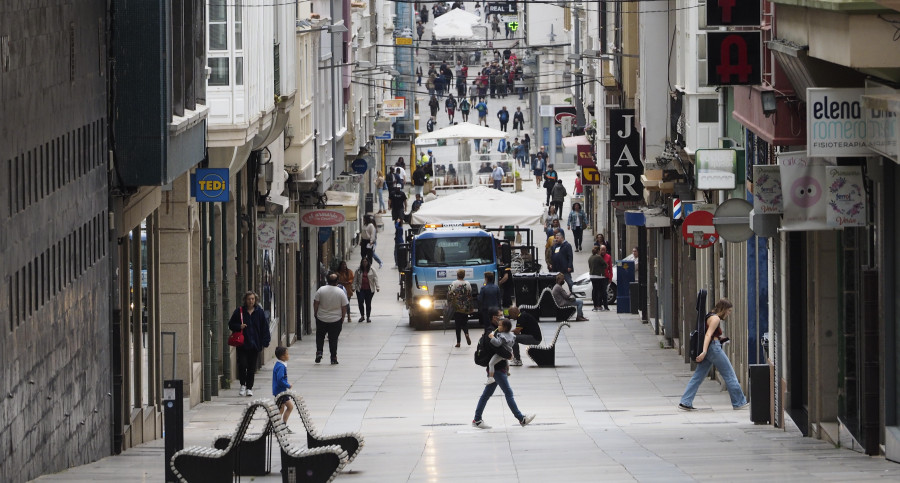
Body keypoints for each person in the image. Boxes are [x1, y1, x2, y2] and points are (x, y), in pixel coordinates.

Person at [678, 298, 750, 411]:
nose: (729, 313)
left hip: (711, 346)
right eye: (729, 311)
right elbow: (708, 335)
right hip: (713, 348)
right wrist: (704, 351)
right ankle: (739, 402)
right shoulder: (715, 319)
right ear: (723, 309)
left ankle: (685, 402)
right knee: (729, 374)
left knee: (698, 376)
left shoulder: (710, 315)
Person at [472, 308, 536, 430]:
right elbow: (497, 348)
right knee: (508, 393)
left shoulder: (495, 330)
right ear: (494, 318)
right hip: (497, 368)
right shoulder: (492, 332)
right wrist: (509, 356)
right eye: (500, 316)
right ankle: (521, 418)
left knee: (486, 394)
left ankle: (477, 419)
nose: (502, 318)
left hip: (498, 367)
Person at [229, 291, 271, 396]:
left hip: (255, 344)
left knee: (252, 368)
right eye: (249, 299)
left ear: (255, 300)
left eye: (252, 299)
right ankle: (243, 385)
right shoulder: (239, 311)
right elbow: (231, 324)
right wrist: (239, 326)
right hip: (243, 344)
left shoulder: (259, 312)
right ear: (245, 300)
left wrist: (265, 341)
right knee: (243, 365)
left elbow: (265, 328)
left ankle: (249, 387)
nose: (251, 301)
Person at [314, 273, 348, 364]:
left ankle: (319, 352)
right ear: (337, 281)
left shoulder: (321, 290)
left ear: (327, 280)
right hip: (335, 319)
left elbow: (316, 302)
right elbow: (344, 306)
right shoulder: (340, 292)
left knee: (320, 336)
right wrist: (343, 317)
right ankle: (333, 357)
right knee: (333, 339)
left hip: (322, 317)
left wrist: (315, 313)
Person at [448, 269, 474, 347]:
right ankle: (466, 334)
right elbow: (470, 293)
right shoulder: (467, 283)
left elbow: (450, 292)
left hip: (457, 307)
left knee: (457, 325)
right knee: (465, 323)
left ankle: (458, 342)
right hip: (465, 306)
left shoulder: (454, 283)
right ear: (464, 275)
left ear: (457, 275)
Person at [485, 318, 516, 384]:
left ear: (504, 327)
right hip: (509, 351)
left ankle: (490, 378)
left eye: (499, 325)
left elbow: (498, 344)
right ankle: (507, 372)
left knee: (491, 363)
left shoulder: (502, 335)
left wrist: (492, 337)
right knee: (505, 360)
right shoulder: (511, 334)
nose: (498, 326)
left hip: (501, 353)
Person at [353, 258, 379, 323]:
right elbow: (355, 279)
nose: (364, 263)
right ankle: (362, 316)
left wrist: (377, 287)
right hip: (360, 289)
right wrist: (353, 287)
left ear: (368, 262)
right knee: (360, 301)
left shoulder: (372, 269)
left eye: (365, 261)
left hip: (369, 289)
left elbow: (375, 278)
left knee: (368, 303)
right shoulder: (358, 270)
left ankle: (368, 316)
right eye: (363, 262)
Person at [272, 346, 293, 427]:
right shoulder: (281, 366)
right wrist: (288, 385)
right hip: (280, 391)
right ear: (282, 356)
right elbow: (280, 380)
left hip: (280, 391)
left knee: (282, 408)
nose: (288, 355)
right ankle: (279, 426)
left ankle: (281, 425)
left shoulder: (280, 364)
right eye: (287, 354)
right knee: (285, 408)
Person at [588, 246, 610, 311]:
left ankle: (595, 306)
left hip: (592, 276)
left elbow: (590, 266)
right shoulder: (599, 257)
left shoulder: (590, 258)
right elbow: (606, 265)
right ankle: (599, 306)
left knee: (594, 290)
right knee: (599, 291)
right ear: (598, 251)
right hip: (599, 276)